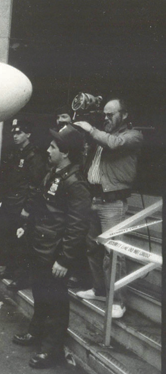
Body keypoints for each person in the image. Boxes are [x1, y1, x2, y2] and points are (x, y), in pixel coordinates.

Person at [13, 123, 91, 369]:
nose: (48, 149)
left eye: (53, 146)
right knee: (40, 295)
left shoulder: (76, 183)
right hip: (41, 248)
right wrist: (27, 226)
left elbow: (77, 227)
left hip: (55, 253)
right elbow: (42, 207)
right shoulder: (54, 173)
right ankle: (36, 333)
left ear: (65, 152)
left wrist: (65, 260)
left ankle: (51, 350)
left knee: (56, 303)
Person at [74, 98, 143, 319]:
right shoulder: (102, 135)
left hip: (113, 202)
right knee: (93, 247)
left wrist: (91, 129)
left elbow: (115, 144)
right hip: (95, 199)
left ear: (124, 115)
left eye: (110, 114)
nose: (106, 118)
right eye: (104, 114)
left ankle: (119, 301)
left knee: (113, 252)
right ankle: (99, 290)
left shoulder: (133, 136)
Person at [0, 119, 46, 290]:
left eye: (19, 132)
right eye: (14, 132)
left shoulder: (34, 156)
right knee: (10, 239)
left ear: (28, 134)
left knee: (22, 242)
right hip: (11, 203)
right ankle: (10, 270)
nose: (15, 136)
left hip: (22, 205)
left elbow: (35, 185)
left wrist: (27, 208)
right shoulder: (16, 153)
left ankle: (22, 278)